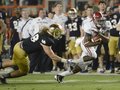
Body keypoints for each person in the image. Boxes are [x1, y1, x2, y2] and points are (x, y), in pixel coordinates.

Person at [0, 24, 68, 84]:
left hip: (18, 45)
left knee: (14, 62)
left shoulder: (44, 32)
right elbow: (52, 56)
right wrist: (66, 61)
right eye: (58, 32)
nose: (59, 34)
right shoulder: (47, 40)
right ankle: (3, 77)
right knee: (24, 71)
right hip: (21, 51)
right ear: (54, 32)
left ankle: (2, 73)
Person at [54, 8, 108, 83]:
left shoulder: (102, 26)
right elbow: (87, 43)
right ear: (94, 19)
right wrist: (99, 42)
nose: (100, 22)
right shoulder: (89, 27)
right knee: (94, 56)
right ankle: (73, 61)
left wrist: (100, 36)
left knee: (79, 68)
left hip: (93, 46)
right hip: (87, 45)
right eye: (98, 20)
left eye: (101, 20)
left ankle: (60, 75)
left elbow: (107, 40)